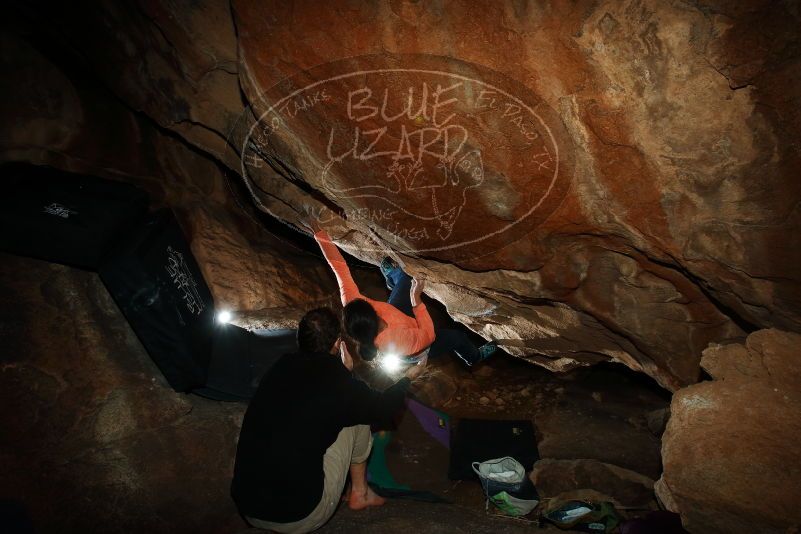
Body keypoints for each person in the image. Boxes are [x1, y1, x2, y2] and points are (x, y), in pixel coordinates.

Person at [230, 307, 427, 533]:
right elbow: (382, 408)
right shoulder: (338, 382)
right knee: (357, 417)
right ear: (337, 343)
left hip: (248, 506)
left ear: (299, 339)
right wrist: (406, 379)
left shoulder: (281, 365)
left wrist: (343, 373)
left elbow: (314, 394)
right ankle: (360, 493)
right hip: (298, 514)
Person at [311, 223, 496, 366]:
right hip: (421, 344)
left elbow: (339, 268)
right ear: (374, 320)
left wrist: (319, 235)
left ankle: (393, 277)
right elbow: (428, 334)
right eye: (372, 309)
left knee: (406, 277)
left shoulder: (353, 307)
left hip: (398, 314)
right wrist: (416, 301)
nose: (372, 304)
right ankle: (474, 357)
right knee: (458, 338)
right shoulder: (397, 341)